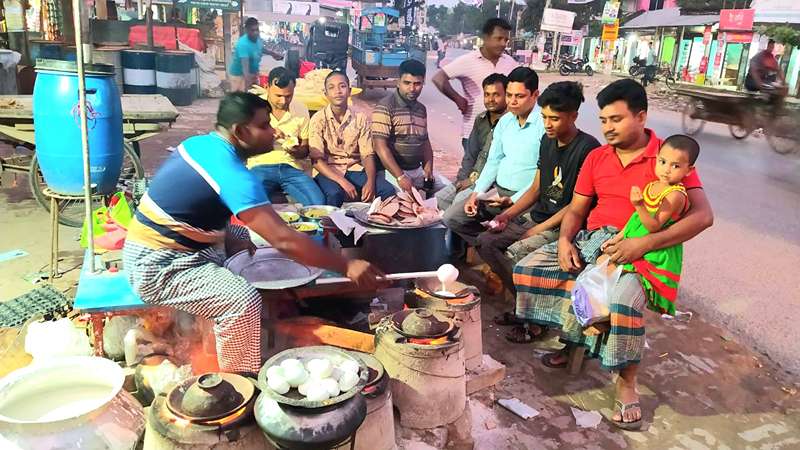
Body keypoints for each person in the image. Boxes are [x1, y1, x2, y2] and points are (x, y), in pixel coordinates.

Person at [123, 93, 383, 374]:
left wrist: (236, 235)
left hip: (169, 246)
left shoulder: (200, 144)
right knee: (243, 300)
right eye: (265, 125)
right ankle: (239, 381)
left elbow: (198, 212)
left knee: (241, 235)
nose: (273, 131)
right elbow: (283, 239)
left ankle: (218, 336)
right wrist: (346, 264)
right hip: (157, 265)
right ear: (241, 131)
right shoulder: (234, 174)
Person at [512, 79, 713, 430]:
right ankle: (574, 336)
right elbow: (576, 209)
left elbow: (703, 216)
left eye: (616, 120)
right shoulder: (597, 156)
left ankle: (626, 383)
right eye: (604, 120)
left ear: (641, 116)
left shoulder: (670, 158)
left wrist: (643, 244)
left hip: (645, 251)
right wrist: (564, 241)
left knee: (621, 301)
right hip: (596, 241)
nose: (608, 128)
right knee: (530, 268)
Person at [475, 81, 600, 321]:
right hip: (538, 215)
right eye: (544, 117)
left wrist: (535, 230)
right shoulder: (547, 140)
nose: (547, 124)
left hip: (562, 226)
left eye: (554, 118)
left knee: (516, 253)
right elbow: (535, 188)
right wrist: (507, 215)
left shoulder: (588, 149)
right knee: (485, 241)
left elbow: (575, 206)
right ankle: (525, 307)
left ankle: (533, 318)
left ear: (573, 116)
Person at [596, 135, 699, 316]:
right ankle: (600, 312)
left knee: (612, 271)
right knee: (600, 263)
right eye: (663, 161)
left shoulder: (675, 195)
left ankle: (604, 314)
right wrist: (618, 237)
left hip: (654, 250)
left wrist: (639, 204)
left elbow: (653, 226)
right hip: (635, 238)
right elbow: (635, 219)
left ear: (689, 170)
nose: (666, 170)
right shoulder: (653, 185)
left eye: (675, 166)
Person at [442, 67, 544, 246]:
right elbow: (493, 160)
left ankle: (495, 245)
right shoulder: (505, 122)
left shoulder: (544, 126)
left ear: (535, 95)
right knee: (453, 218)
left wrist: (513, 199)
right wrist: (476, 193)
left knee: (496, 239)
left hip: (525, 200)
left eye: (519, 96)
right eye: (509, 95)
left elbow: (540, 178)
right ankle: (492, 245)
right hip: (497, 194)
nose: (512, 102)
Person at [310, 71, 396, 206]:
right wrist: (342, 181)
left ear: (349, 91)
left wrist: (370, 181)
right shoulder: (318, 119)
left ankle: (376, 224)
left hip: (353, 168)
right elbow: (316, 160)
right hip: (328, 170)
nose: (337, 91)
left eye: (342, 86)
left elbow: (367, 154)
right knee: (335, 193)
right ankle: (332, 226)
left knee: (387, 190)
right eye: (331, 88)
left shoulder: (360, 118)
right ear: (325, 94)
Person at [433, 18, 518, 153]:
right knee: (474, 172)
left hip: (503, 133)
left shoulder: (510, 62)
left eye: (506, 40)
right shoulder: (468, 60)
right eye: (499, 38)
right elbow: (438, 78)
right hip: (474, 133)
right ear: (486, 38)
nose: (503, 44)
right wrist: (458, 99)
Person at [248, 67, 325, 206]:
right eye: (278, 96)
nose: (283, 101)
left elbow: (305, 149)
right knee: (251, 203)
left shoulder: (300, 108)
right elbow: (243, 144)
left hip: (290, 167)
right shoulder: (253, 107)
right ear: (267, 87)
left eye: (288, 96)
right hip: (260, 166)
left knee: (318, 203)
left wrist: (298, 151)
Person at [372, 59, 450, 195]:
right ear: (398, 82)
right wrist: (400, 176)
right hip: (392, 172)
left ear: (423, 83)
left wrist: (428, 169)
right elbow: (380, 147)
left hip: (416, 170)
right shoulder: (385, 106)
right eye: (407, 83)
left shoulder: (421, 109)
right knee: (403, 203)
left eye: (417, 84)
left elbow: (425, 141)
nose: (412, 89)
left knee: (449, 190)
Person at [435, 73, 508, 211]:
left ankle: (466, 230)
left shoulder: (509, 123)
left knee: (456, 206)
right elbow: (470, 155)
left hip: (491, 183)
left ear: (506, 96)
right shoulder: (480, 119)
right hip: (472, 178)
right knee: (439, 200)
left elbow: (497, 163)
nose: (490, 99)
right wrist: (461, 181)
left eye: (496, 95)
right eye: (487, 94)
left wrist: (471, 181)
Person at [229, 17, 284, 92]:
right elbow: (245, 64)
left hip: (252, 72)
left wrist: (272, 54)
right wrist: (249, 81)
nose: (255, 32)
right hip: (239, 75)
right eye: (252, 30)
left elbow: (261, 48)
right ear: (247, 30)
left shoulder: (257, 39)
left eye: (257, 30)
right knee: (241, 97)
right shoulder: (243, 44)